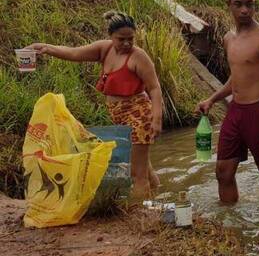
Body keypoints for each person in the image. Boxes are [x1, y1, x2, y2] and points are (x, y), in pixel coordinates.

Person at [26, 11, 163, 197]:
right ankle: (159, 197)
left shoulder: (139, 57)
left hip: (139, 114)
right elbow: (74, 53)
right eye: (121, 39)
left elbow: (154, 89)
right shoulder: (104, 49)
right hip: (118, 114)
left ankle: (141, 215)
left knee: (136, 172)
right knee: (143, 164)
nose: (127, 43)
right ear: (110, 36)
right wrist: (46, 48)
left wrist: (156, 118)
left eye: (131, 39)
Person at [197, 0, 259, 203]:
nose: (245, 10)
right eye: (238, 4)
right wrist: (212, 99)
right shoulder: (229, 38)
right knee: (223, 172)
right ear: (229, 4)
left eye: (249, 4)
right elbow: (235, 79)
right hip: (235, 111)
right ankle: (230, 228)